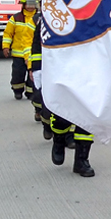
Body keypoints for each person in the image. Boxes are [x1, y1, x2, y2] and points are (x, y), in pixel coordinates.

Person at [28, 14, 91, 174]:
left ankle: (81, 161)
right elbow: (38, 46)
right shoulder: (51, 15)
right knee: (62, 114)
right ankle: (59, 139)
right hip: (60, 70)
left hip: (87, 70)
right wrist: (37, 69)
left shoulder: (92, 12)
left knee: (87, 117)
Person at [2, 0, 37, 100]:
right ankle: (17, 90)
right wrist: (5, 46)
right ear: (23, 4)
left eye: (33, 4)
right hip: (18, 53)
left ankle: (30, 92)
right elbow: (8, 33)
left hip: (33, 54)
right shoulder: (16, 18)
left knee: (33, 75)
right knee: (18, 74)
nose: (31, 6)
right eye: (28, 4)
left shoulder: (38, 18)